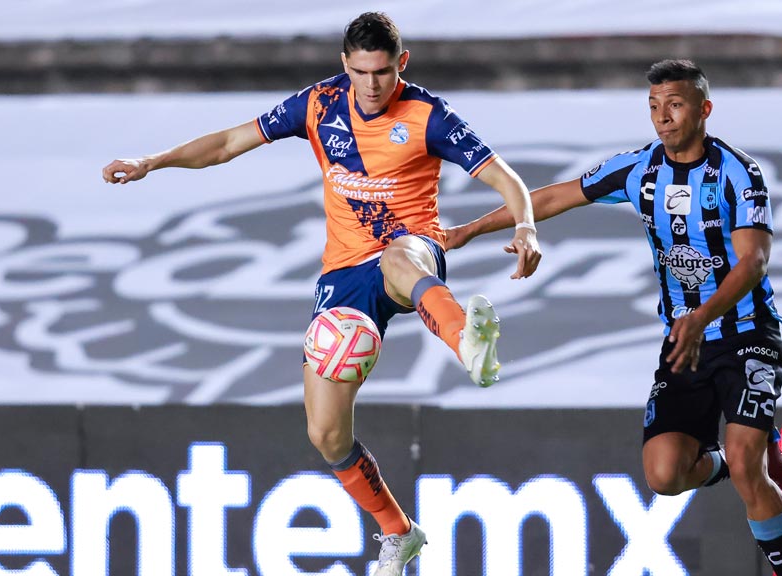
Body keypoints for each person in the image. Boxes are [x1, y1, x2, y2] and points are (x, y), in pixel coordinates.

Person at [102, 12, 541, 575]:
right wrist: (152, 161)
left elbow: (505, 178)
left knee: (398, 258)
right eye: (361, 72)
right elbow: (229, 143)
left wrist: (525, 225)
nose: (372, 85)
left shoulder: (428, 114)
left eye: (383, 72)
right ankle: (399, 531)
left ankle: (467, 341)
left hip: (412, 248)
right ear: (344, 65)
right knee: (326, 433)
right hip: (342, 275)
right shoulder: (318, 105)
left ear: (401, 64)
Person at [446, 59, 782, 575]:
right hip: (683, 339)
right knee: (664, 475)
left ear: (704, 109)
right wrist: (469, 230)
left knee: (751, 472)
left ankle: (759, 477)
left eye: (675, 105)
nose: (663, 117)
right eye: (654, 106)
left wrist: (702, 317)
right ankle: (737, 452)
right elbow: (554, 196)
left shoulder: (738, 172)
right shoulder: (639, 169)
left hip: (746, 333)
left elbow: (754, 262)